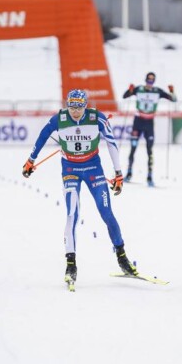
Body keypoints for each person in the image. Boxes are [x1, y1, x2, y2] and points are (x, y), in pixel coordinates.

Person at [21, 89, 138, 289]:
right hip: (70, 170)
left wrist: (118, 173)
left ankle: (122, 257)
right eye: (72, 107)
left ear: (86, 106)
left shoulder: (96, 118)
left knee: (106, 213)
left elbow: (112, 143)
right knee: (72, 214)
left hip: (93, 169)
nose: (75, 111)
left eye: (79, 107)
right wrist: (31, 160)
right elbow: (42, 137)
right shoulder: (59, 119)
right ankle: (71, 265)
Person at [122, 72, 176, 186]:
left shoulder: (157, 91)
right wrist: (130, 90)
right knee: (133, 148)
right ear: (145, 79)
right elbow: (125, 96)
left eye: (152, 80)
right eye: (148, 79)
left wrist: (172, 92)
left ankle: (150, 177)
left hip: (149, 124)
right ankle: (128, 174)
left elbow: (173, 99)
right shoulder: (139, 89)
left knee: (149, 150)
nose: (150, 82)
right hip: (138, 122)